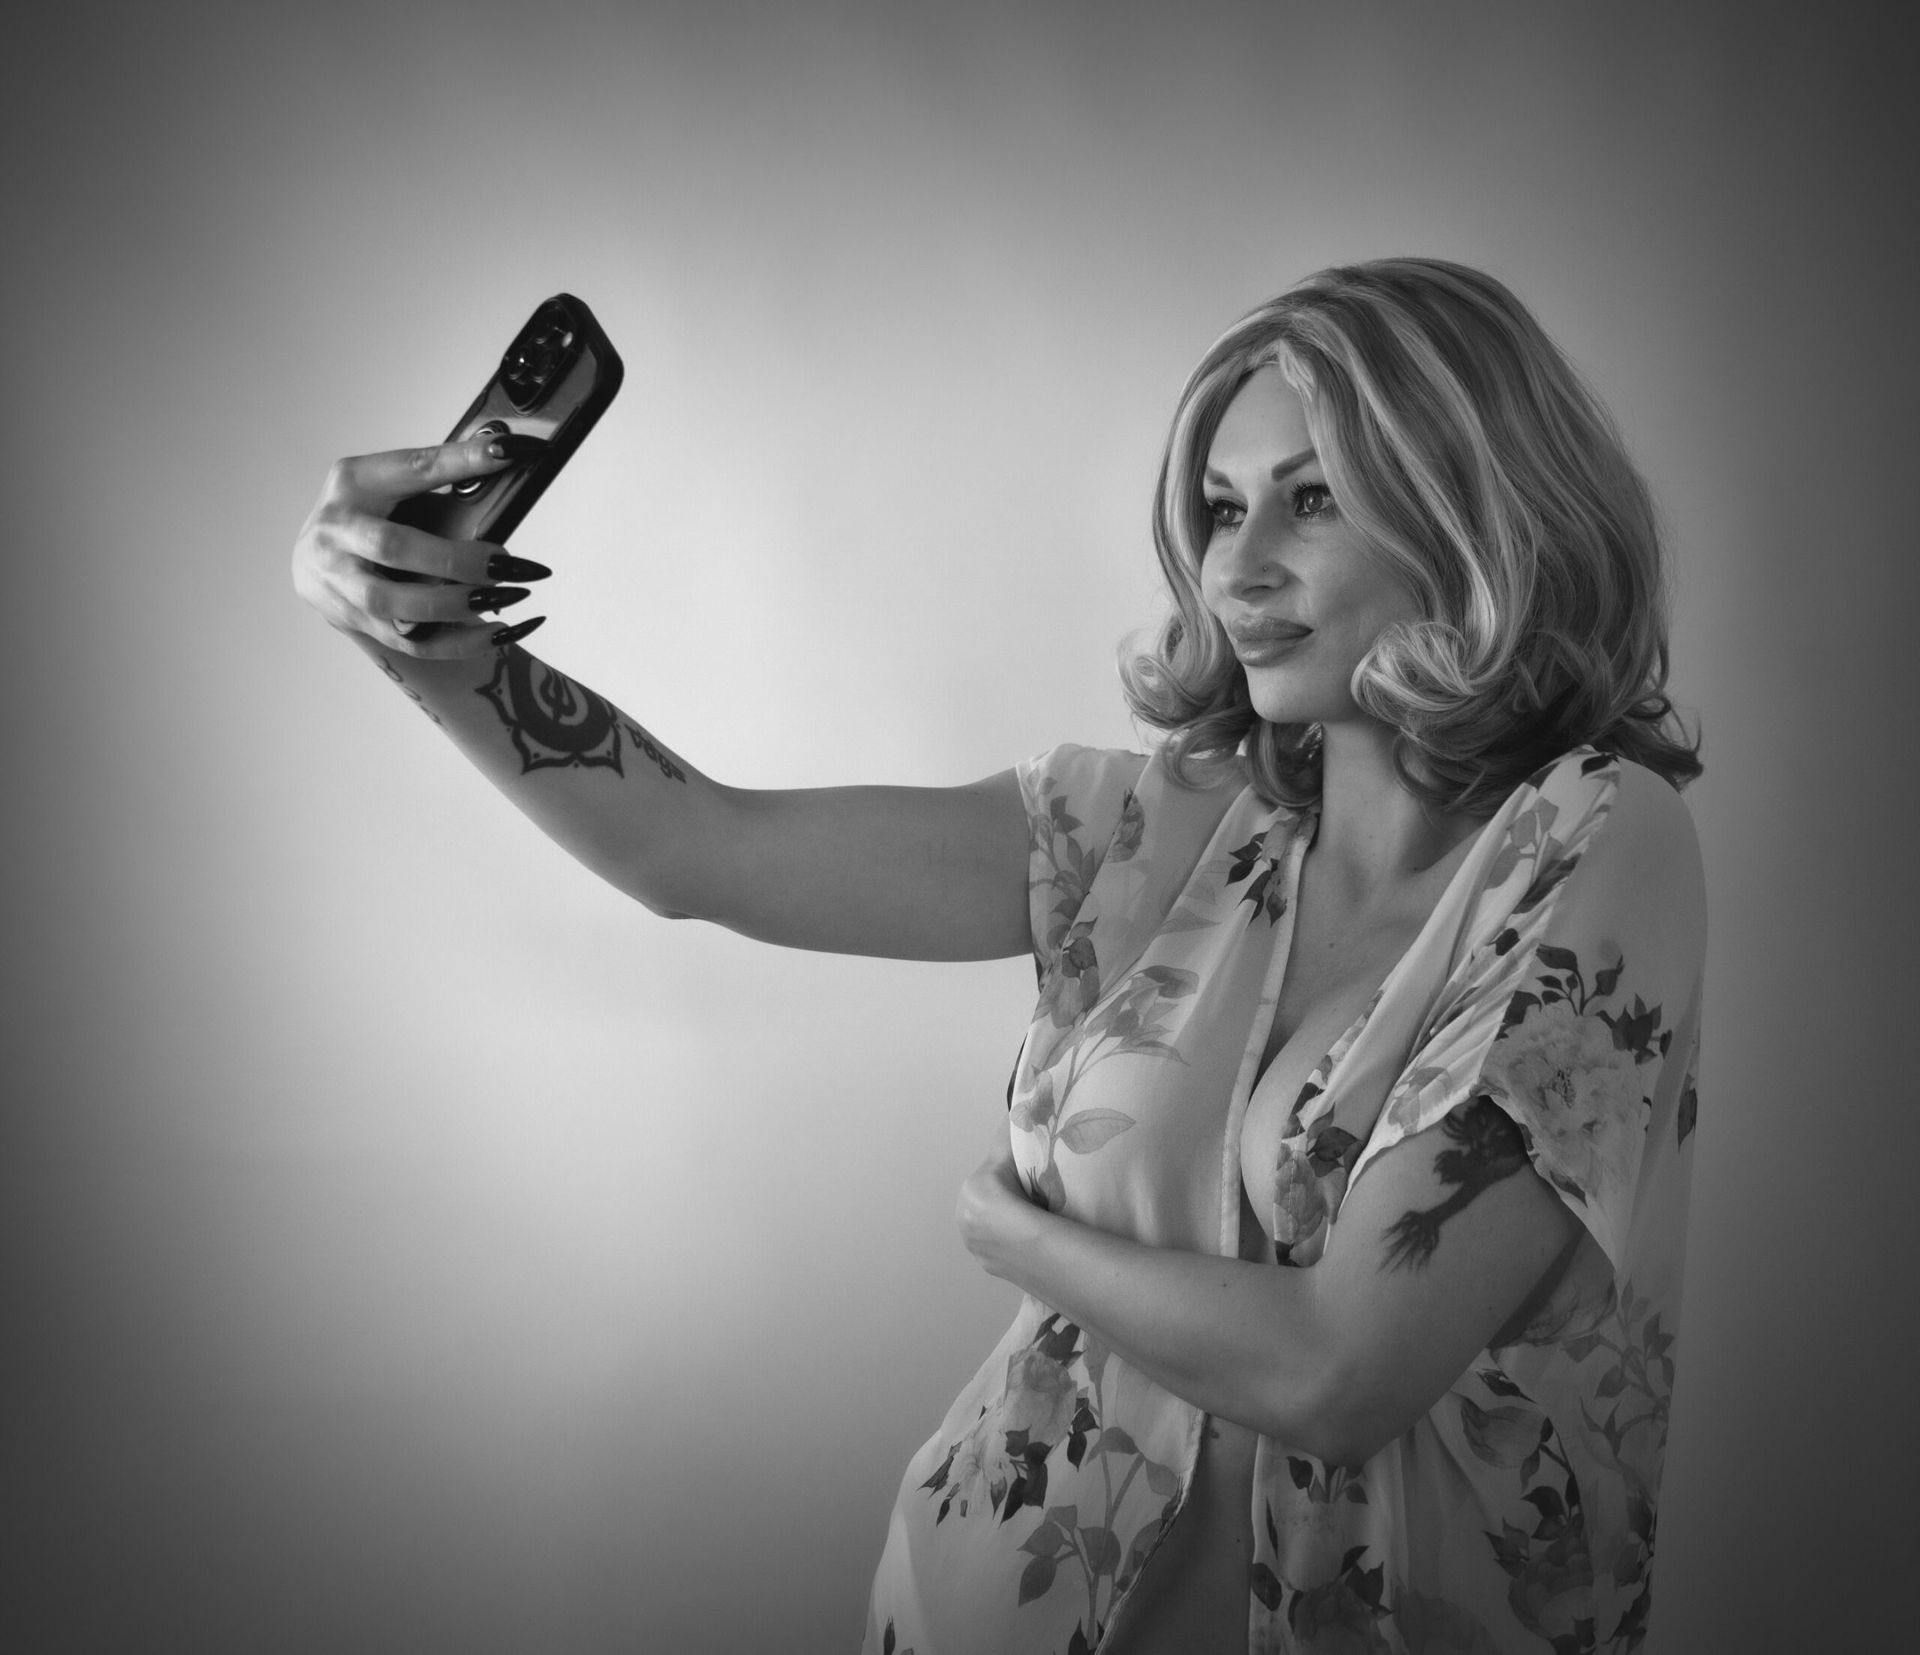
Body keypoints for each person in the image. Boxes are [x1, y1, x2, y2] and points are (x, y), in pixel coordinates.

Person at [293, 258, 1704, 1655]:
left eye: (1313, 497)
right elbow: (695, 852)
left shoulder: (1597, 836)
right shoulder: (1153, 833)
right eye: (1221, 506)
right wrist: (425, 639)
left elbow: (1339, 1369)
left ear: (1471, 507)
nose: (1237, 564)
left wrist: (1014, 1233)